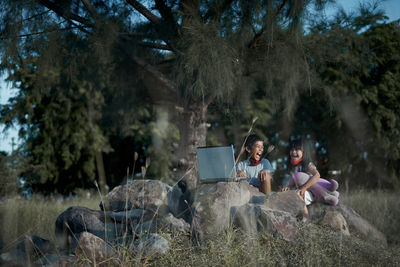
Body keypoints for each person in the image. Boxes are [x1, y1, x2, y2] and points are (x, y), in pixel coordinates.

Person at [281, 138, 320, 222]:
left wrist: (304, 188)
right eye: (292, 149)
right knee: (284, 193)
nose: (294, 152)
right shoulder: (293, 167)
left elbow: (317, 175)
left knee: (298, 193)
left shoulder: (308, 164)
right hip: (297, 192)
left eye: (297, 149)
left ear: (304, 152)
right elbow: (292, 181)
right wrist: (287, 187)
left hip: (308, 192)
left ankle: (306, 217)